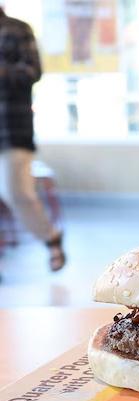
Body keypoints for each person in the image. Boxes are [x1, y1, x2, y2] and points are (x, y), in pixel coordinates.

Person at [0, 7, 65, 271]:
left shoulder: (17, 29)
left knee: (17, 193)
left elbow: (33, 71)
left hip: (12, 129)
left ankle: (51, 239)